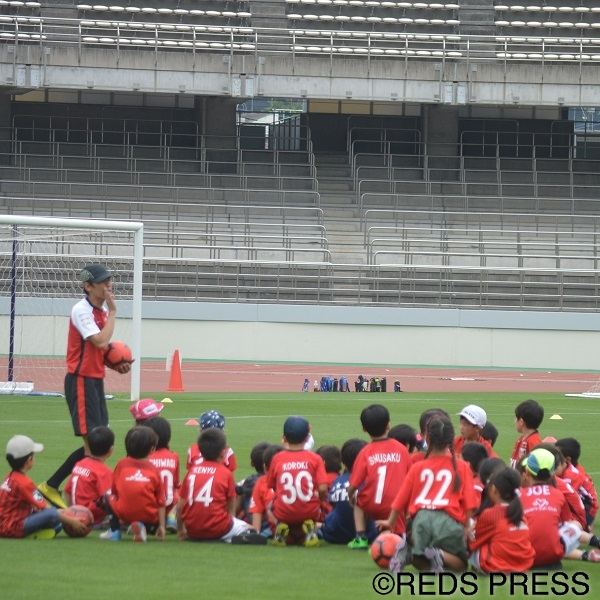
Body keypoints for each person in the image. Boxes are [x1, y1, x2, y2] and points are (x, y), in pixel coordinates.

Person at [38, 263, 130, 510]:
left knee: (99, 444)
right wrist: (114, 312)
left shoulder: (100, 310)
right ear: (88, 286)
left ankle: (53, 486)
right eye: (103, 282)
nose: (108, 285)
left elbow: (98, 350)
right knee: (92, 447)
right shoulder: (82, 310)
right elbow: (99, 341)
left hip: (95, 380)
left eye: (109, 280)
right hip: (80, 380)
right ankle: (87, 500)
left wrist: (116, 365)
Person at [377, 416, 479, 574]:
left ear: (427, 439)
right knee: (461, 565)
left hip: (421, 520)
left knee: (423, 559)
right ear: (451, 440)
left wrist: (390, 521)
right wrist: (466, 527)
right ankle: (438, 554)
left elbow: (401, 499)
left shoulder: (418, 467)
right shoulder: (462, 466)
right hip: (448, 520)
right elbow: (470, 503)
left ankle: (410, 553)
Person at [177, 428, 261, 543]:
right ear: (222, 453)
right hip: (218, 528)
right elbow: (231, 509)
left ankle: (222, 536)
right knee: (254, 531)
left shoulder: (191, 472)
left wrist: (181, 530)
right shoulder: (226, 473)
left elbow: (180, 507)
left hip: (192, 530)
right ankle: (227, 537)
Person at [519, 448, 600, 567]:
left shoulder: (519, 495)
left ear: (526, 472)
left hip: (523, 555)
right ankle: (589, 549)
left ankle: (584, 553)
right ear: (552, 474)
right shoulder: (558, 494)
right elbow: (565, 523)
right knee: (570, 528)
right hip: (554, 555)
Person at [347, 404, 411, 549]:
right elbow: (411, 479)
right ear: (388, 425)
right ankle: (398, 537)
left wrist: (351, 497)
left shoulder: (365, 452)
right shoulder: (401, 449)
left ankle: (360, 537)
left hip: (371, 504)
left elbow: (354, 485)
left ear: (364, 429)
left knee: (358, 500)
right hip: (396, 505)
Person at [1, 435, 86, 539]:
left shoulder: (9, 477)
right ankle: (31, 533)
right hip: (13, 528)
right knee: (53, 515)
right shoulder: (25, 483)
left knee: (54, 518)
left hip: (4, 525)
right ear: (30, 459)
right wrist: (72, 521)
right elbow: (48, 510)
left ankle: (36, 531)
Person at [267, 416, 328, 547]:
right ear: (307, 438)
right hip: (309, 511)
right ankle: (311, 529)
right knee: (317, 500)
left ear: (283, 437)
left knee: (269, 505)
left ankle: (280, 526)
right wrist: (320, 499)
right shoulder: (315, 458)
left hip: (283, 512)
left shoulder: (277, 458)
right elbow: (323, 488)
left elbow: (270, 485)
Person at [101, 426, 166, 542]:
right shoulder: (154, 470)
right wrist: (162, 526)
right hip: (149, 516)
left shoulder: (122, 464)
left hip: (125, 513)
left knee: (107, 495)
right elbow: (161, 501)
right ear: (152, 449)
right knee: (156, 502)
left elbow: (114, 490)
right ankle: (144, 527)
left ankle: (115, 531)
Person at [468, 467, 535, 573]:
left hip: (497, 566)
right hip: (523, 565)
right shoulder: (520, 513)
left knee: (471, 533)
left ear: (494, 490)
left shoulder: (491, 513)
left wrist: (469, 528)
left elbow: (473, 542)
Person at [319, 438, 379, 545]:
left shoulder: (338, 480)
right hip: (369, 534)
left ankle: (318, 527)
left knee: (333, 514)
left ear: (343, 462)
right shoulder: (372, 480)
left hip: (336, 535)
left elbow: (332, 503)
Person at [64, 426, 114, 526]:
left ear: (88, 447)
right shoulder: (104, 472)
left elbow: (67, 491)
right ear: (111, 450)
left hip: (76, 513)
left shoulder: (79, 464)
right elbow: (109, 499)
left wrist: (73, 511)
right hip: (94, 518)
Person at [145, 416, 180, 533]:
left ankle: (140, 522)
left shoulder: (145, 458)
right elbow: (176, 484)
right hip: (168, 506)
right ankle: (171, 517)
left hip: (149, 508)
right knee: (182, 490)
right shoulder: (174, 456)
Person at [555, 437, 599, 528]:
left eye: (557, 457)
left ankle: (583, 527)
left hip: (587, 509)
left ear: (567, 460)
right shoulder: (568, 468)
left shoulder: (572, 476)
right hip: (581, 503)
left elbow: (565, 497)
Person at [249, 443, 285, 538]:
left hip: (273, 527)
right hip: (300, 523)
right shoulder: (296, 478)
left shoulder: (261, 482)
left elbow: (256, 519)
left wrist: (256, 533)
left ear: (265, 467)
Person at [235, 440, 270, 527]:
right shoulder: (278, 480)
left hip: (256, 524)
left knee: (242, 492)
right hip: (275, 523)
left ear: (251, 463)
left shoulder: (249, 481)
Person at [509, 399, 544, 469]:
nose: (514, 421)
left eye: (516, 418)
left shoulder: (533, 442)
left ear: (521, 422)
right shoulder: (521, 439)